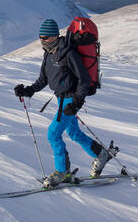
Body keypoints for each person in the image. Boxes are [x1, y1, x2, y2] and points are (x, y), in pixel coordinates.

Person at [14, 18, 112, 187]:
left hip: (70, 99)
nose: (42, 41)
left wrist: (76, 104)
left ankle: (62, 172)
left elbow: (84, 80)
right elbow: (43, 79)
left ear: (54, 36)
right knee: (73, 133)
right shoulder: (48, 54)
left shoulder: (68, 53)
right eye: (41, 37)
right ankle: (101, 154)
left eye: (45, 38)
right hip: (61, 99)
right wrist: (28, 90)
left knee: (53, 134)